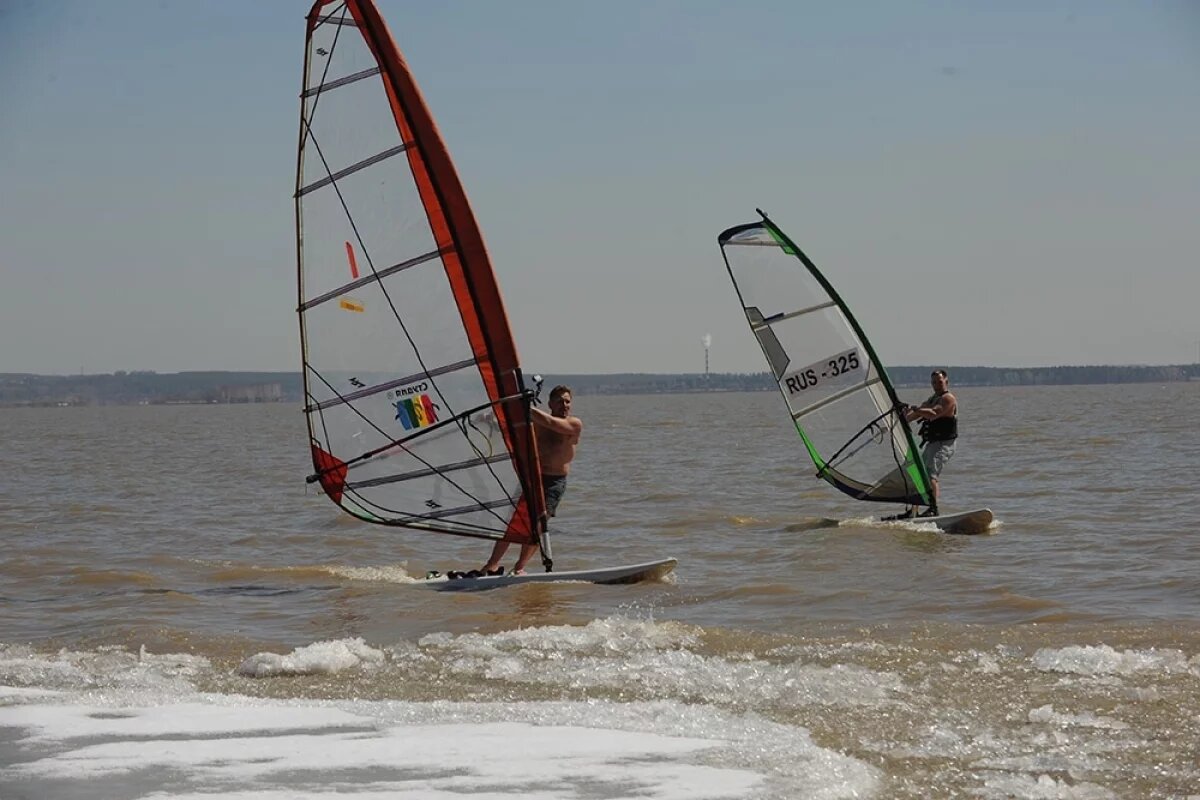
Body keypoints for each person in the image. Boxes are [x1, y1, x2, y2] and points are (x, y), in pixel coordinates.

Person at [480, 384, 582, 576]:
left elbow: (551, 423)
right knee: (514, 522)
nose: (564, 405)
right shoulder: (536, 422)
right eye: (559, 401)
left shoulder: (574, 424)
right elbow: (510, 428)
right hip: (532, 478)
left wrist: (524, 405)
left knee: (538, 526)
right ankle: (491, 565)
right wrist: (490, 420)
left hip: (554, 482)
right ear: (550, 403)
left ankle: (519, 568)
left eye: (567, 401)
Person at [902, 369, 957, 517]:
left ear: (946, 381)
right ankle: (913, 511)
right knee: (919, 474)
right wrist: (904, 416)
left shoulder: (948, 399)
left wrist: (917, 409)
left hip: (944, 444)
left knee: (930, 475)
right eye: (934, 382)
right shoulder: (932, 398)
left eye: (939, 382)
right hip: (932, 444)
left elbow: (933, 414)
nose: (936, 385)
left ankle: (933, 509)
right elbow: (915, 414)